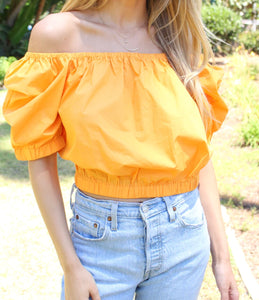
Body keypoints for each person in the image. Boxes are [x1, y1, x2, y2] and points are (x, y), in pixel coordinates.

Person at [3, 0, 239, 299]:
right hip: (101, 242)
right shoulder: (59, 35)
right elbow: (39, 160)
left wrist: (222, 259)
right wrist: (71, 266)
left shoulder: (178, 38)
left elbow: (199, 158)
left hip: (184, 235)